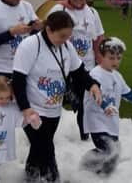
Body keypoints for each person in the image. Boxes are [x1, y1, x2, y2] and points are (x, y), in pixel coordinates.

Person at [12, 10, 102, 182]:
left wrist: (92, 85)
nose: (65, 40)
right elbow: (18, 79)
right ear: (49, 30)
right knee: (46, 150)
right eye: (62, 36)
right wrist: (25, 108)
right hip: (33, 110)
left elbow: (79, 72)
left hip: (53, 110)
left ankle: (29, 178)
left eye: (68, 36)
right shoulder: (30, 46)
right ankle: (53, 179)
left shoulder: (66, 46)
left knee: (38, 150)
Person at [81, 37, 132, 175]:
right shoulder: (96, 74)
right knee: (108, 150)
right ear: (101, 57)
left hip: (111, 122)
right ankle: (85, 167)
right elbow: (95, 94)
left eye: (118, 58)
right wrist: (105, 105)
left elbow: (129, 94)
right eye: (111, 58)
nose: (116, 61)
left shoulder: (117, 76)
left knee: (114, 153)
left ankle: (103, 176)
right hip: (96, 120)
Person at [48, 0, 104, 140]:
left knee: (85, 104)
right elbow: (48, 34)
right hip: (64, 67)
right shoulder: (60, 10)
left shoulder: (92, 12)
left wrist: (100, 61)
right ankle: (46, 134)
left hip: (86, 66)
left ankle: (84, 135)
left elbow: (98, 38)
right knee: (54, 102)